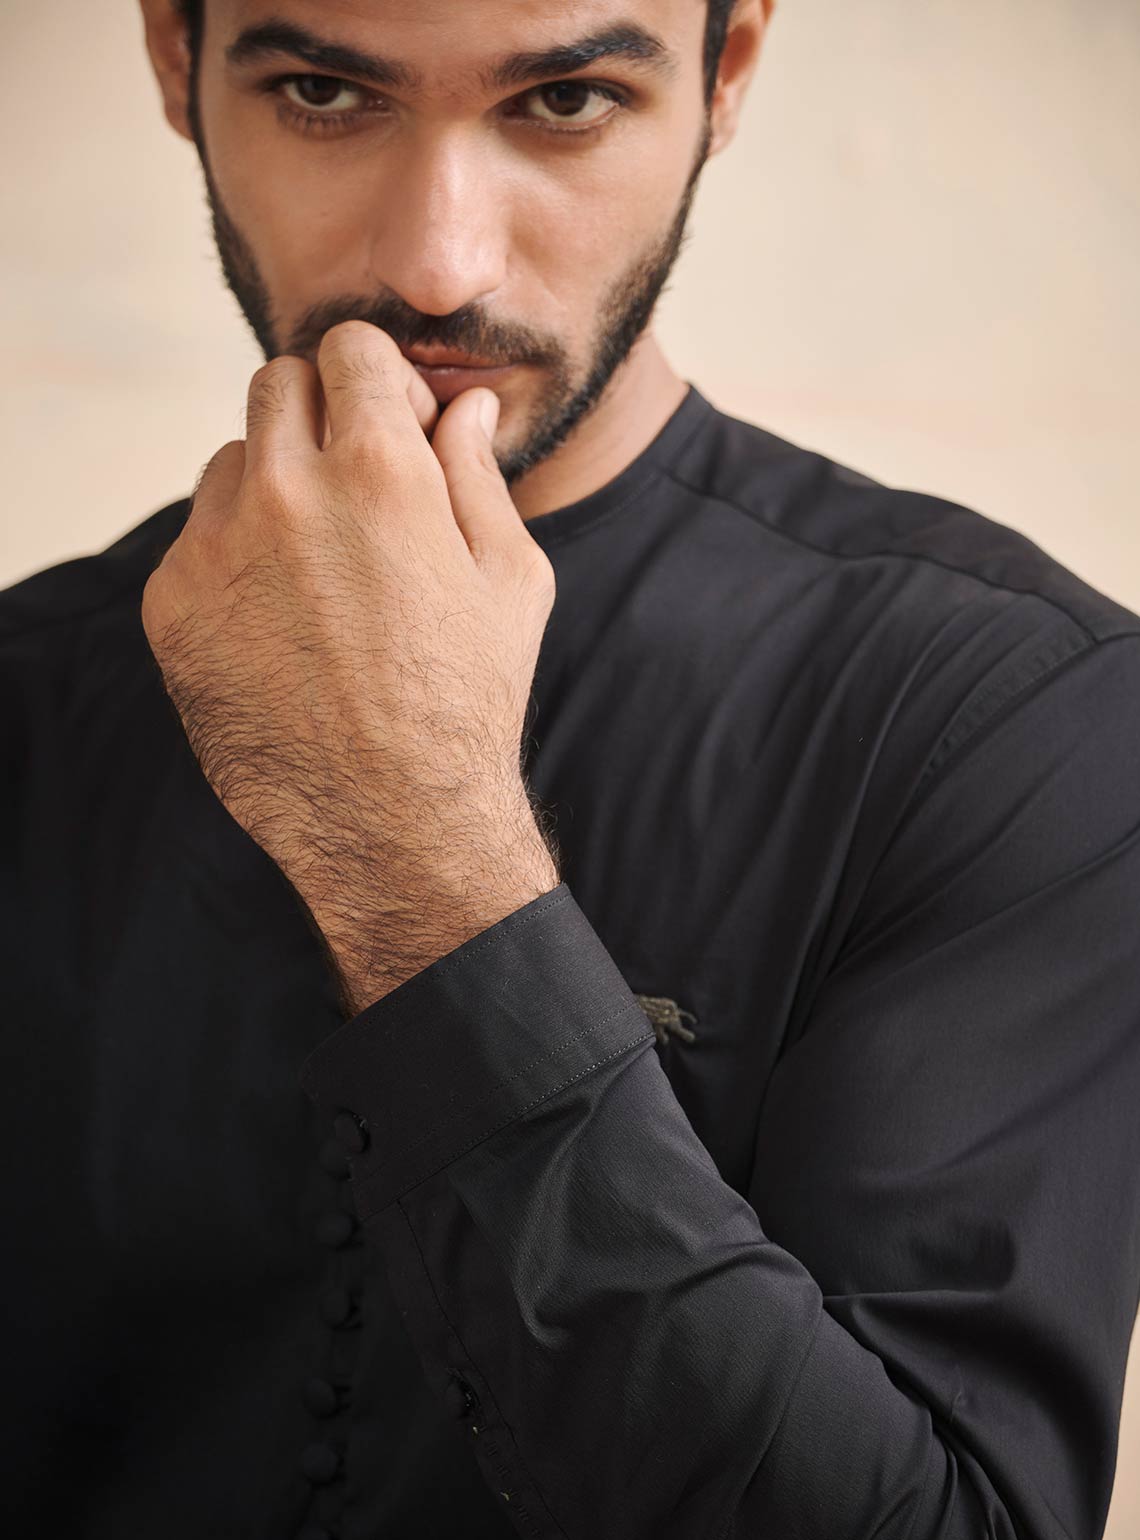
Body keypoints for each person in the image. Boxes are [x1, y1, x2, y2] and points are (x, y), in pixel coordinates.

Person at [2, 1, 1137, 1536]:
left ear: (727, 73)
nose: (438, 265)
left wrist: (416, 857)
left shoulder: (1011, 719)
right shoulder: (23, 694)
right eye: (324, 92)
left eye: (566, 101)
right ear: (172, 62)